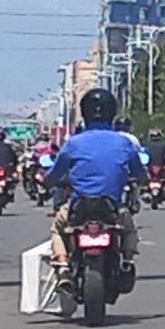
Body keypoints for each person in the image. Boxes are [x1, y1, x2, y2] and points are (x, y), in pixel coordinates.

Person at [44, 88, 145, 282]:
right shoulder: (124, 143)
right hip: (111, 207)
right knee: (129, 229)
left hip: (78, 207)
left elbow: (55, 174)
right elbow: (139, 172)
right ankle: (128, 261)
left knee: (58, 229)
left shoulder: (73, 143)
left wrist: (48, 182)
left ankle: (63, 265)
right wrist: (142, 181)